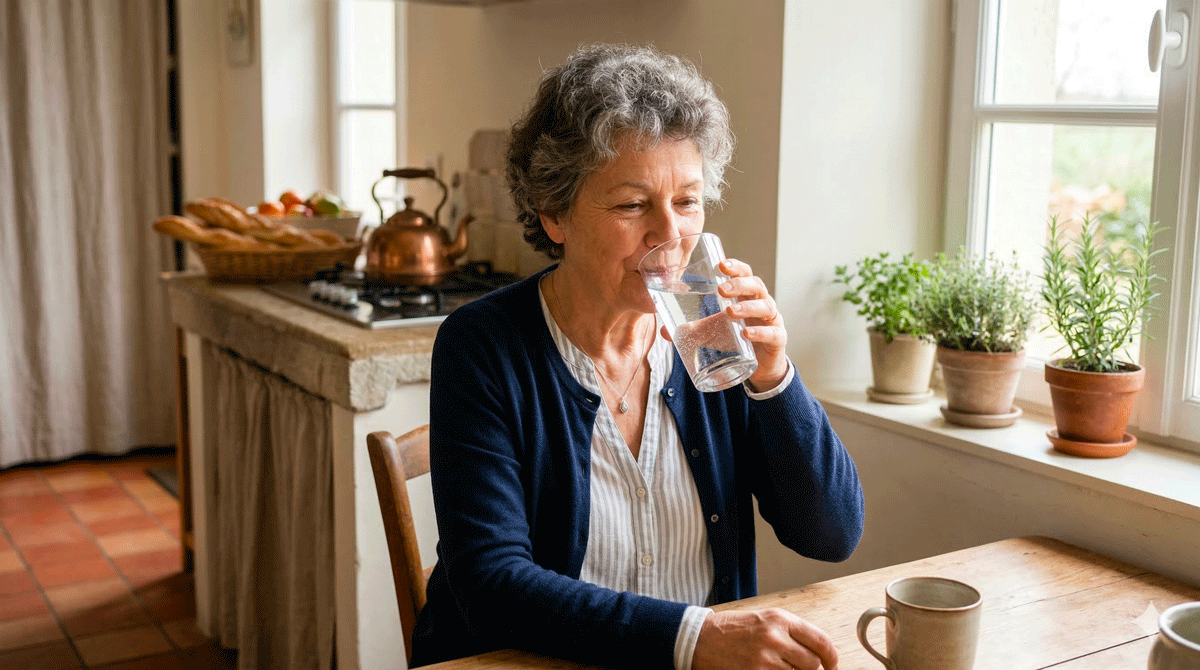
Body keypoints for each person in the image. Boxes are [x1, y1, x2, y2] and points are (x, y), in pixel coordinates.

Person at [412, 43, 864, 670]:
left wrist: (774, 378)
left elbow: (832, 534)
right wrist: (693, 639)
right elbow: (489, 583)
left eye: (686, 201)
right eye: (631, 205)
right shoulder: (483, 345)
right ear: (554, 215)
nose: (670, 235)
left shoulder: (712, 337)